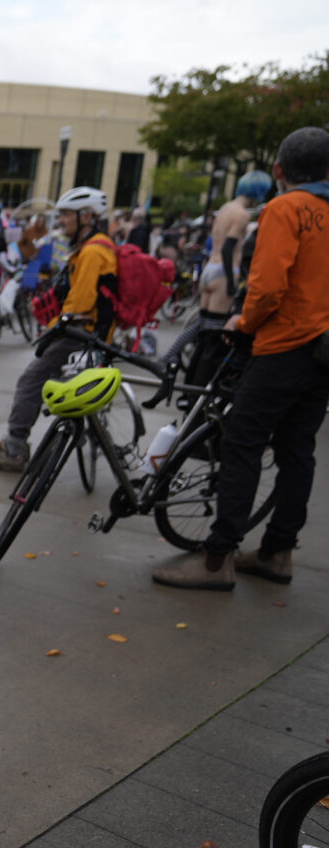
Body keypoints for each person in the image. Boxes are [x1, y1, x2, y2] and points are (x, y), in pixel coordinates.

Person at [154, 127, 329, 590]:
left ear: (278, 171)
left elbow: (268, 287)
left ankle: (217, 559)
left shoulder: (284, 209)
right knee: (297, 450)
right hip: (322, 352)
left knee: (241, 445)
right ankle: (277, 552)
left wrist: (243, 323)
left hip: (282, 346)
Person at [0, 186, 117, 470]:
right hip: (90, 333)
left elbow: (80, 304)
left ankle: (14, 450)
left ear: (86, 216)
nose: (60, 221)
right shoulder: (93, 247)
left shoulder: (92, 252)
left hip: (81, 335)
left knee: (31, 381)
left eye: (65, 215)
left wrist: (56, 327)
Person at [199, 170, 271, 325]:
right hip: (225, 272)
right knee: (214, 329)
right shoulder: (242, 214)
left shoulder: (225, 208)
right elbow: (228, 248)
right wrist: (232, 283)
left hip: (210, 268)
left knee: (201, 327)